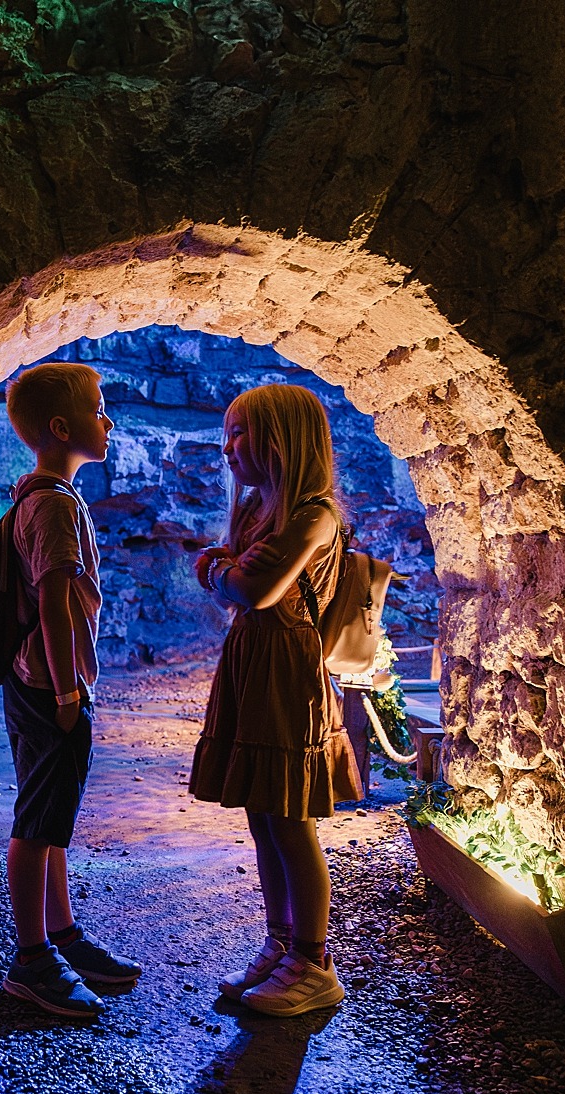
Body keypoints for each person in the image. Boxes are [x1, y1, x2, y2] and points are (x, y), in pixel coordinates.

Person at [189, 384, 362, 1016]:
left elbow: (252, 587)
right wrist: (227, 572)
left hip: (287, 673)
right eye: (227, 432)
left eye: (239, 434)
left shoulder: (313, 515)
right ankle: (281, 942)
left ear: (280, 442)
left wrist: (216, 570)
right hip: (253, 666)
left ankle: (314, 962)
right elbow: (237, 577)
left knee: (291, 819)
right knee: (263, 816)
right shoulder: (262, 509)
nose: (226, 447)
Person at [0, 361, 142, 1019]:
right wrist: (65, 693)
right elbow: (54, 605)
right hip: (49, 684)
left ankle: (62, 935)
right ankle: (32, 960)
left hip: (35, 680)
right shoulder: (53, 504)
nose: (107, 419)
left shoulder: (42, 493)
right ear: (61, 427)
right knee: (36, 822)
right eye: (98, 407)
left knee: (51, 818)